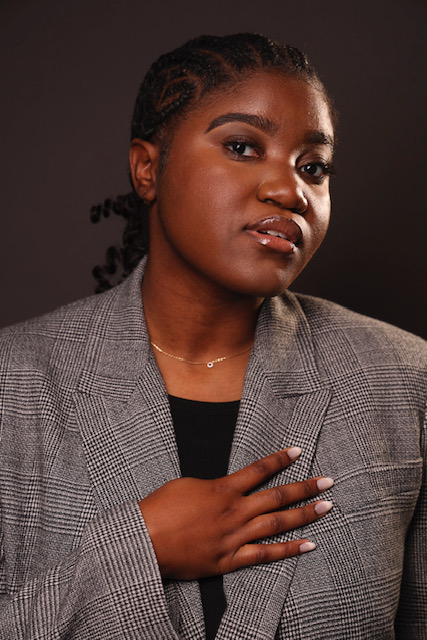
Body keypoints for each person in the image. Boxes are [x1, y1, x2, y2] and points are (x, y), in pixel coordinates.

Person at [0, 33, 425, 640]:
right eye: (243, 147)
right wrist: (139, 549)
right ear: (148, 168)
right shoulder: (13, 384)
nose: (290, 191)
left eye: (313, 167)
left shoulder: (404, 384)